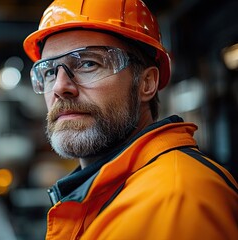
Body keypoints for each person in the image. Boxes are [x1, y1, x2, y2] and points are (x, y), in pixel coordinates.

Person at [22, 0, 238, 239]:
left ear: (146, 83)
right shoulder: (105, 193)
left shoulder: (177, 200)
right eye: (50, 71)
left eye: (88, 63)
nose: (60, 87)